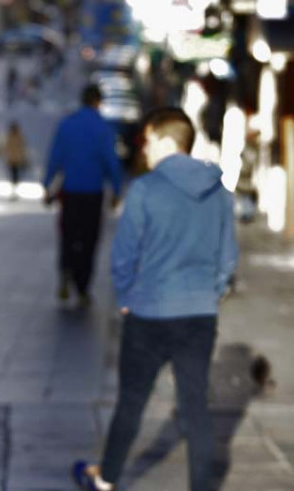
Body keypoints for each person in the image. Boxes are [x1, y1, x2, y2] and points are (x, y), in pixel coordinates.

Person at [72, 108, 238, 491]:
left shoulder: (146, 190)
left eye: (147, 142)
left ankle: (108, 478)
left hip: (149, 311)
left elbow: (125, 255)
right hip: (199, 312)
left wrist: (127, 296)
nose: (143, 150)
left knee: (131, 401)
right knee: (195, 406)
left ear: (165, 141)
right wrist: (209, 293)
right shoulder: (219, 192)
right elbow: (228, 256)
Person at [43, 84, 123, 306]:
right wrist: (116, 190)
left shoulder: (67, 124)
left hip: (70, 193)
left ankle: (65, 273)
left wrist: (47, 184)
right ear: (98, 101)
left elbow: (55, 157)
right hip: (92, 194)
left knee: (68, 236)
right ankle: (83, 288)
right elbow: (111, 162)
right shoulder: (103, 128)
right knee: (89, 241)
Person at [4, 121, 28, 199]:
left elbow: (23, 148)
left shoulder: (20, 136)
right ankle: (13, 190)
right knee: (12, 176)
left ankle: (15, 190)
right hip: (11, 160)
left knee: (16, 176)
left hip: (17, 160)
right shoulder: (9, 136)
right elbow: (6, 148)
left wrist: (24, 159)